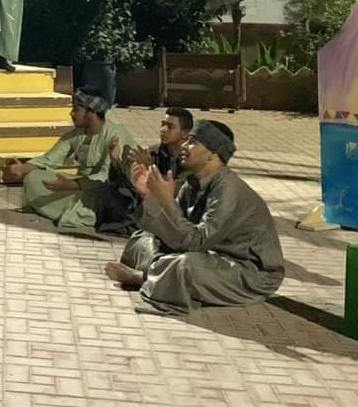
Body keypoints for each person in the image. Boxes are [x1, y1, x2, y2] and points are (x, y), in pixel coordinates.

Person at [104, 120, 285, 317]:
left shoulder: (228, 189)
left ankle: (144, 277)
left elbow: (196, 242)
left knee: (186, 266)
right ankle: (160, 275)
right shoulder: (193, 182)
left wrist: (166, 202)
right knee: (142, 239)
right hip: (207, 254)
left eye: (192, 142)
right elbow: (175, 229)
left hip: (247, 272)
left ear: (212, 153)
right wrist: (148, 195)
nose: (183, 145)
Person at [8, 88, 135, 229]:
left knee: (93, 198)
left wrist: (73, 184)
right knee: (33, 178)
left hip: (110, 195)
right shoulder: (77, 133)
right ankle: (70, 209)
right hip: (83, 187)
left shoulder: (116, 135)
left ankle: (78, 212)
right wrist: (23, 168)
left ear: (91, 113)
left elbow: (105, 176)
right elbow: (49, 159)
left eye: (76, 110)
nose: (71, 114)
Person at [97, 107, 194, 235]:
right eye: (162, 125)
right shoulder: (155, 150)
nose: (163, 130)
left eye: (170, 127)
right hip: (147, 199)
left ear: (185, 134)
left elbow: (175, 190)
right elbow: (133, 181)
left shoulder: (189, 157)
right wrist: (116, 161)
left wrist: (150, 167)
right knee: (116, 188)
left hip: (173, 208)